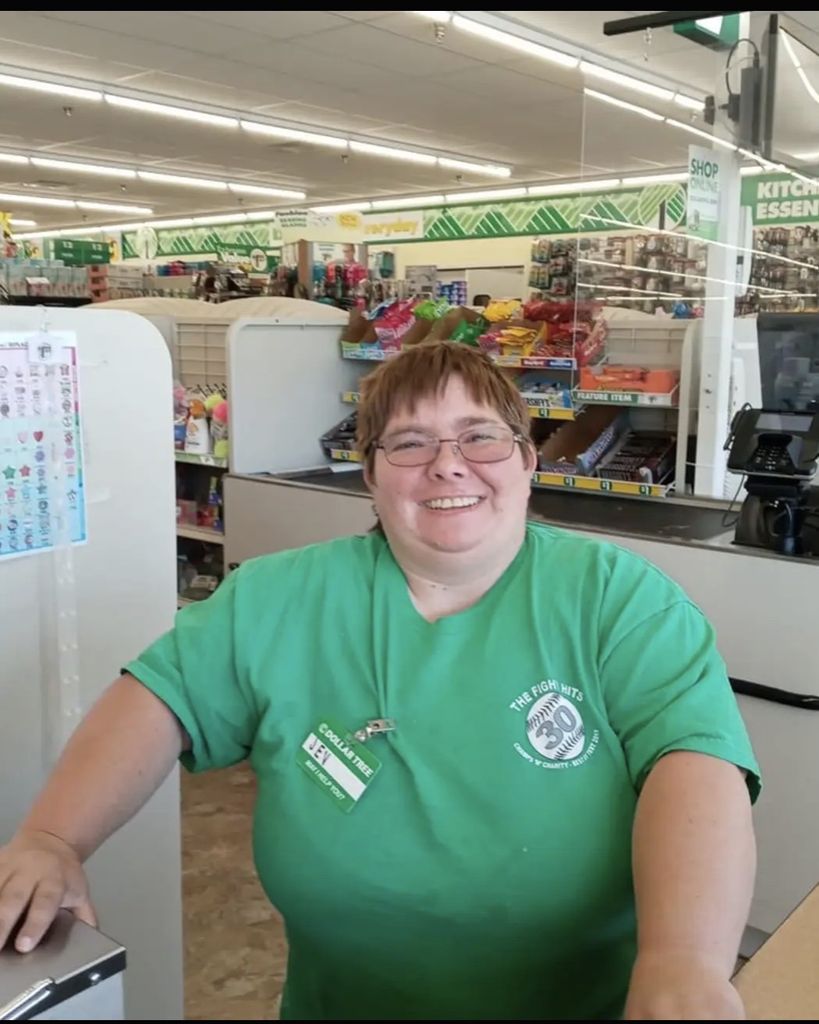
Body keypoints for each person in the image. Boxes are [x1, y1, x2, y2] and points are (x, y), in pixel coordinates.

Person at [0, 342, 759, 1020]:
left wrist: (684, 963)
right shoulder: (277, 598)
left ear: (528, 461)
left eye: (480, 437)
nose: (448, 464)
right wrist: (53, 837)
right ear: (369, 474)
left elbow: (693, 762)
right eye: (410, 442)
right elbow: (158, 698)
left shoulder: (617, 600)